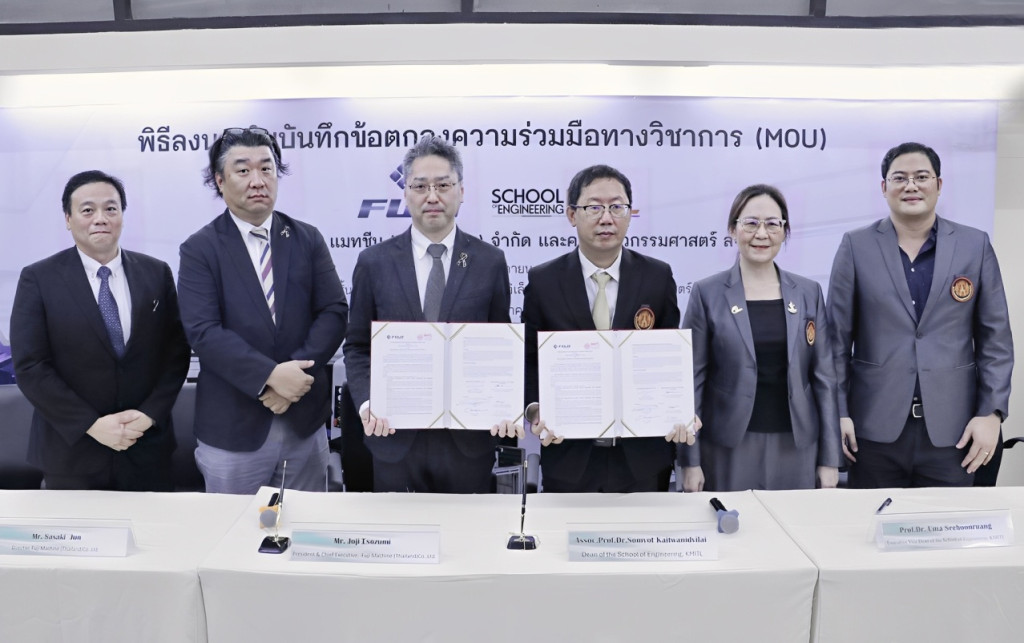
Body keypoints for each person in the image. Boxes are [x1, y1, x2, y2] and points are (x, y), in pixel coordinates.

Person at [828, 142, 1013, 488]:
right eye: (899, 178)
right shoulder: (855, 246)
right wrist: (837, 412)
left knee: (948, 521)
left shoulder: (974, 245)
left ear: (938, 185)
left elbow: (996, 341)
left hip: (954, 434)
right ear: (884, 188)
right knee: (869, 520)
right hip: (872, 431)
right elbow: (835, 342)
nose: (910, 185)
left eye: (921, 177)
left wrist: (991, 413)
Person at [343, 135, 519, 493]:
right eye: (420, 186)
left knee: (467, 526)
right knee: (398, 527)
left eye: (443, 185)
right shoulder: (374, 262)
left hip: (467, 441)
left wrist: (504, 403)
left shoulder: (489, 261)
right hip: (393, 436)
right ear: (406, 193)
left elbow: (500, 345)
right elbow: (358, 347)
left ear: (461, 191)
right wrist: (367, 404)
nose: (432, 196)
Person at [177, 126, 348, 494]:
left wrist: (293, 379)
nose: (257, 180)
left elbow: (334, 312)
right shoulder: (200, 249)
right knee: (236, 527)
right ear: (220, 181)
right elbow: (203, 331)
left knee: (301, 525)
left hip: (303, 423)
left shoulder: (307, 238)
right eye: (243, 170)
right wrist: (269, 376)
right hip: (234, 430)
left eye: (266, 168)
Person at [11, 170, 190, 490]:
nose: (100, 218)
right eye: (87, 210)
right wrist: (91, 425)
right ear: (68, 219)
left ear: (122, 215)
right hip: (71, 452)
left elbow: (175, 354)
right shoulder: (38, 279)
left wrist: (149, 415)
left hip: (146, 446)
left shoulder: (156, 273)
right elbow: (31, 366)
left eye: (111, 208)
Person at [522, 164, 690, 493]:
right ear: (572, 215)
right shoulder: (544, 282)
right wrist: (534, 409)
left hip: (643, 457)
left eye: (617, 207)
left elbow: (670, 361)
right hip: (569, 454)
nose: (607, 218)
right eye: (594, 207)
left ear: (630, 213)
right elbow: (529, 361)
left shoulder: (657, 277)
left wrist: (679, 407)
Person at [679, 184, 840, 492]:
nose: (761, 234)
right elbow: (692, 381)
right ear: (733, 229)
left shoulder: (808, 293)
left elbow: (824, 379)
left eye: (772, 224)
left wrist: (829, 459)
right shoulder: (707, 293)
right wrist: (690, 460)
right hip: (728, 445)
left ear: (785, 231)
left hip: (797, 445)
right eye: (751, 223)